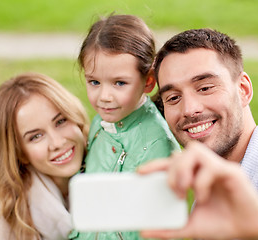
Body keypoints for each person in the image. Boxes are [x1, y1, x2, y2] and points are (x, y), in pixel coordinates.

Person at [137, 28, 258, 240]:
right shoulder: (206, 192)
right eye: (173, 98)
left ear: (243, 89)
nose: (189, 109)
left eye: (205, 87)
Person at [70, 14, 180, 240]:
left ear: (148, 81)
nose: (104, 97)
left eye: (119, 83)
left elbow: (161, 226)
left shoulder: (158, 145)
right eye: (94, 82)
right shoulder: (100, 122)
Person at [0, 72, 89, 240]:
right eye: (36, 136)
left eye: (61, 121)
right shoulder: (0, 196)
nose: (57, 143)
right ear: (20, 153)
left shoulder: (112, 160)